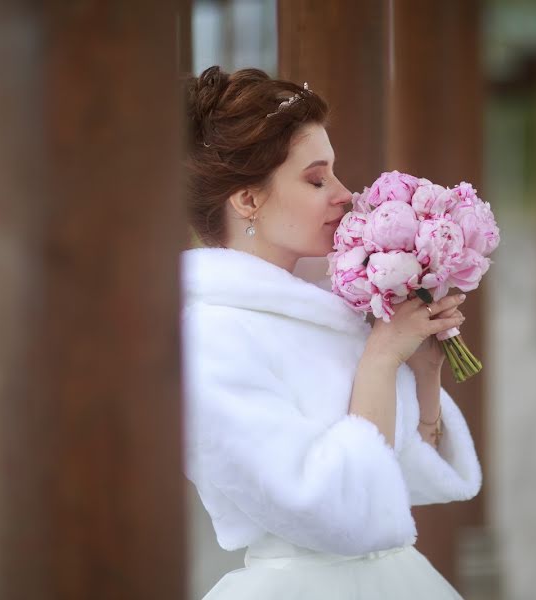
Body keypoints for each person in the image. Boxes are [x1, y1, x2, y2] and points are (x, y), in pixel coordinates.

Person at [180, 65, 482, 599]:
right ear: (247, 200)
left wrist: (423, 370)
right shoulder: (207, 338)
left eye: (335, 174)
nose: (345, 195)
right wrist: (382, 357)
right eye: (317, 179)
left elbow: (393, 484)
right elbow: (330, 507)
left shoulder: (325, 305)